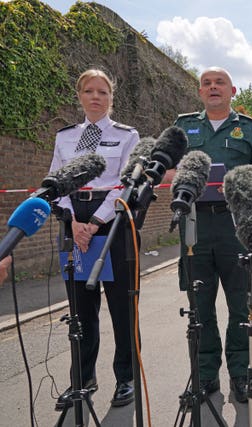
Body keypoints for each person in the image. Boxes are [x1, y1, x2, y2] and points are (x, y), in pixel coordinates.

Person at [172, 67, 252, 403]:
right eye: (207, 83)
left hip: (237, 227)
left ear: (232, 91)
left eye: (220, 83)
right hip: (194, 226)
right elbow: (165, 169)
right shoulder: (183, 125)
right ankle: (204, 377)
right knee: (199, 306)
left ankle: (242, 373)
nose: (213, 87)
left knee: (240, 305)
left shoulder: (248, 128)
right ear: (199, 91)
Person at [51, 69, 140, 410]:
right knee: (81, 311)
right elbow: (55, 179)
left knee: (121, 309)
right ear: (80, 96)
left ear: (111, 97)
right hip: (73, 222)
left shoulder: (126, 135)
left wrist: (96, 222)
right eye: (89, 91)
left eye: (103, 91)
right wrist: (73, 222)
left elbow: (124, 182)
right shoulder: (65, 138)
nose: (96, 97)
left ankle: (126, 378)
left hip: (113, 223)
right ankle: (82, 379)